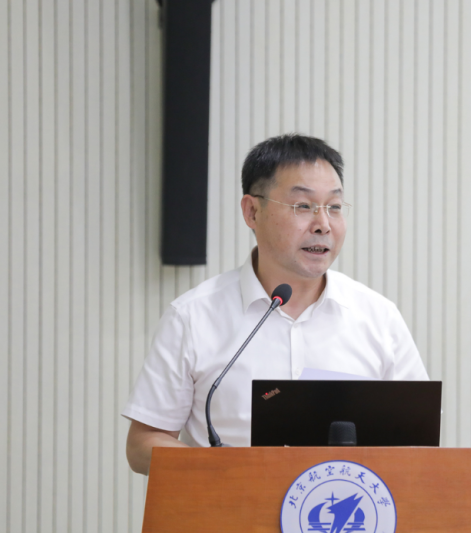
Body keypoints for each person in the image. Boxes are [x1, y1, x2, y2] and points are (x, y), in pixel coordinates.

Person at [123, 134, 428, 474]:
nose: (323, 225)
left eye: (334, 207)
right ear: (252, 211)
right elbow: (143, 444)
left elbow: (418, 441)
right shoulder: (193, 317)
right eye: (303, 206)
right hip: (234, 505)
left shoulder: (378, 317)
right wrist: (223, 472)